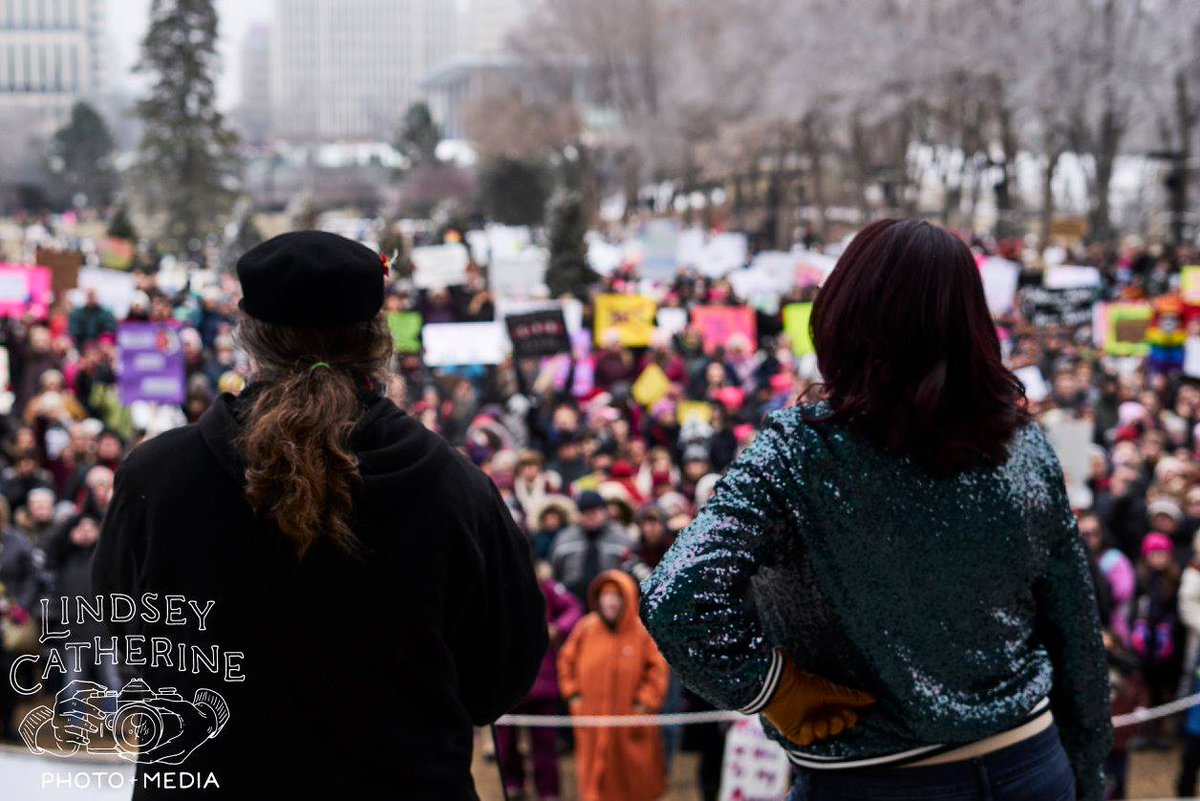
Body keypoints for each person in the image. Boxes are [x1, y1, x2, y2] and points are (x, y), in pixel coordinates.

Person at [641, 219, 1111, 801]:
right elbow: (1077, 636)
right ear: (971, 324)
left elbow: (678, 598)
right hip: (1030, 766)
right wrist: (1086, 775)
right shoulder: (1024, 445)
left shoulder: (798, 451)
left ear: (843, 312)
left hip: (874, 780)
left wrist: (771, 688)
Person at [92, 232, 548, 799]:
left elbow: (123, 629)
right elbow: (499, 677)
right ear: (378, 339)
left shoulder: (156, 477)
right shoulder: (456, 488)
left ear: (250, 338)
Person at [558, 570, 669, 801]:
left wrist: (643, 706)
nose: (610, 601)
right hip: (592, 722)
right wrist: (574, 697)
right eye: (605, 595)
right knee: (594, 782)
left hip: (630, 727)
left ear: (626, 598)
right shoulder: (585, 628)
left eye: (616, 595)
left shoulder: (641, 633)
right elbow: (566, 661)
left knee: (635, 781)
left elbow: (657, 672)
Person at [496, 564, 584, 801]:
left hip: (541, 683)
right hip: (507, 683)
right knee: (505, 744)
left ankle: (548, 790)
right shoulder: (499, 590)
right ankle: (513, 783)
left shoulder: (546, 589)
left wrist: (557, 628)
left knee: (544, 745)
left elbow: (574, 608)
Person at [550, 490, 631, 603]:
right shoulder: (564, 538)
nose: (590, 517)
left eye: (594, 512)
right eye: (585, 513)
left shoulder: (621, 538)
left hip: (611, 598)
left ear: (604, 512)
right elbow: (555, 572)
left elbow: (629, 571)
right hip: (571, 600)